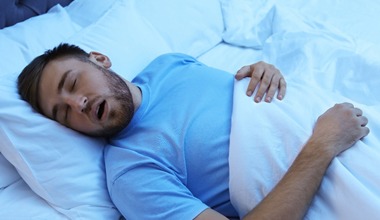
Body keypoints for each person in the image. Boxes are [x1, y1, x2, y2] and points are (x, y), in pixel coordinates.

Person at [18, 43, 369, 220]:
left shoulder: (171, 63)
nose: (77, 104)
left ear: (99, 58)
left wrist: (265, 73)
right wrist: (323, 144)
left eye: (73, 83)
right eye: (63, 113)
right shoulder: (130, 172)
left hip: (345, 123)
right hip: (332, 161)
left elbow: (239, 104)